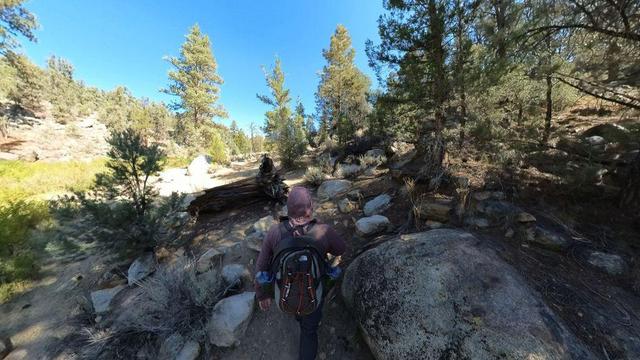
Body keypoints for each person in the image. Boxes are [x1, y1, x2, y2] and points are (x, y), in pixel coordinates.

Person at [254, 186, 346, 360]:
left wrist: (261, 295)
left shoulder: (275, 232)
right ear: (310, 209)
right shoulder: (323, 230)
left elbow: (261, 267)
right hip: (314, 293)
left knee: (294, 300)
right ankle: (305, 317)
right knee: (309, 331)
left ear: (288, 210)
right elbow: (341, 248)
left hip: (284, 293)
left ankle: (296, 312)